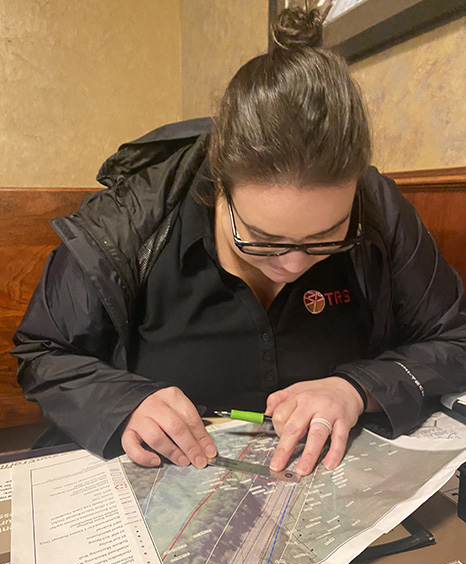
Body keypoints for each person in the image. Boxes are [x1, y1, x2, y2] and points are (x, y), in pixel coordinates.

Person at [12, 5, 466, 478]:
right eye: (263, 240)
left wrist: (357, 388)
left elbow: (455, 338)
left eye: (325, 238)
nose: (292, 264)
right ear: (217, 188)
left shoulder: (378, 212)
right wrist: (124, 403)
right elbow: (43, 353)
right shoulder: (130, 224)